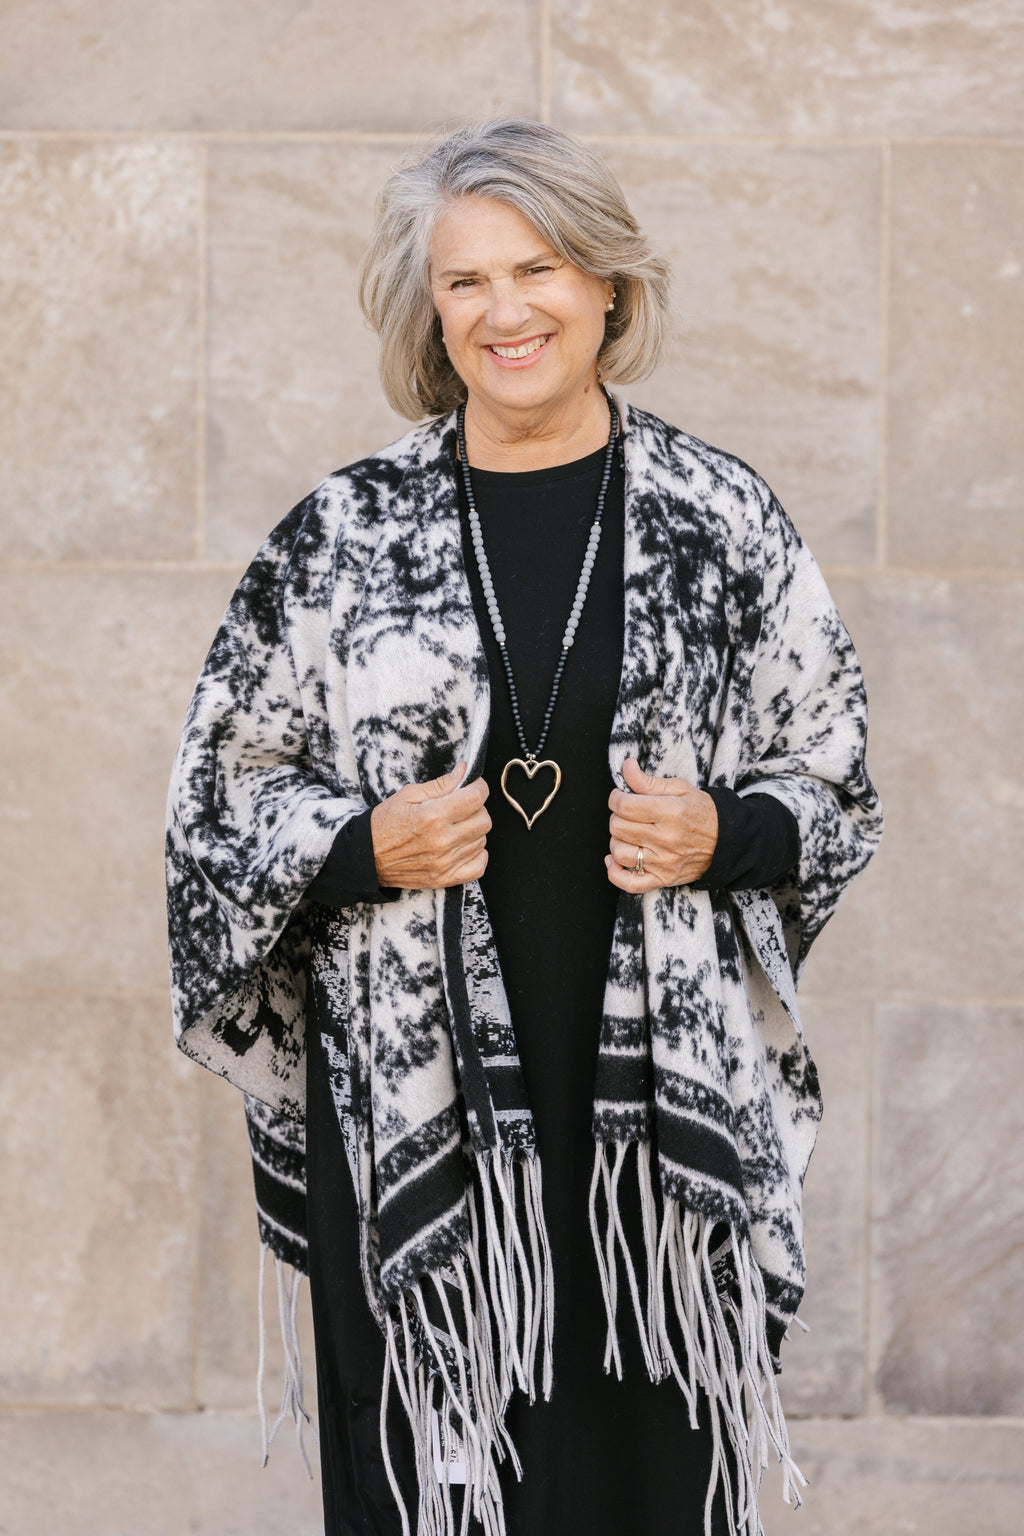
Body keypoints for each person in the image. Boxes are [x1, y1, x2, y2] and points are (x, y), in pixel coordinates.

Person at [166, 118, 882, 1536]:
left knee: (646, 1477)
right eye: (466, 280)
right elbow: (216, 807)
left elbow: (837, 781)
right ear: (429, 309)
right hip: (415, 1112)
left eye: (537, 268)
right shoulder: (345, 537)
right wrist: (360, 848)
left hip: (654, 1135)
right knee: (435, 1482)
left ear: (607, 284)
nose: (506, 311)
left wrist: (725, 832)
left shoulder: (720, 520)